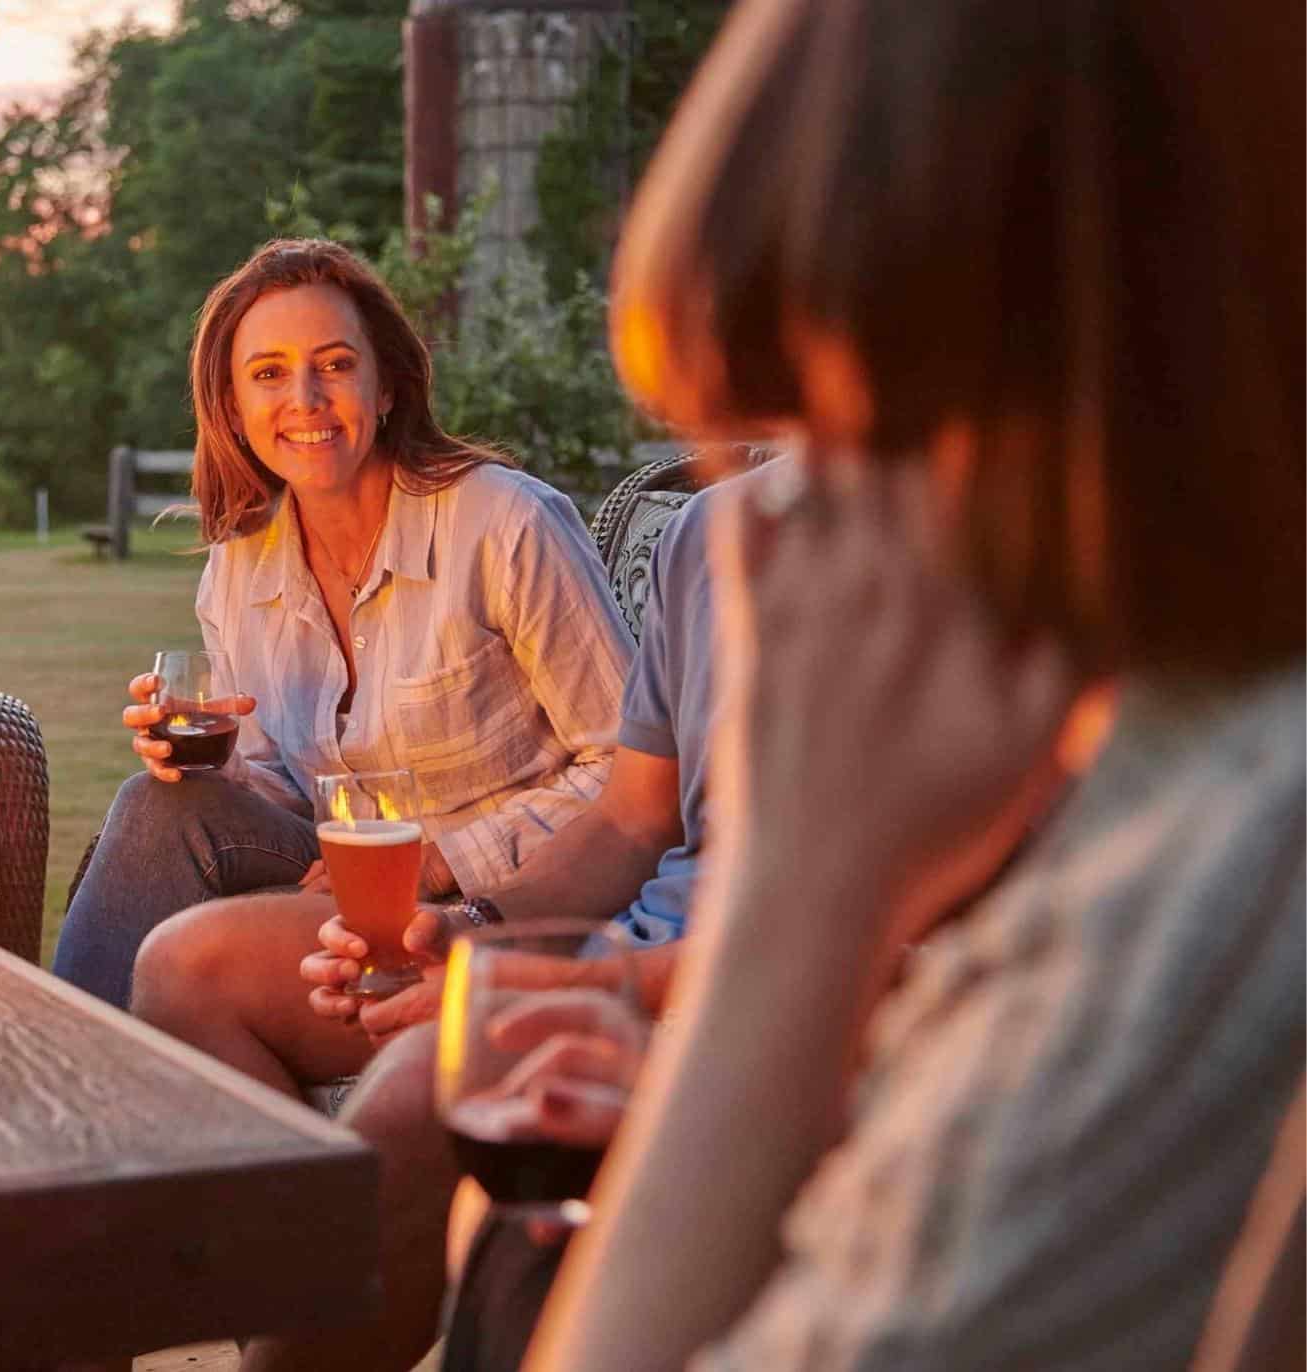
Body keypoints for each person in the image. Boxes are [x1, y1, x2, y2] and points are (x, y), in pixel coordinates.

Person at [508, 0, 1303, 1367]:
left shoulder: (1223, 869)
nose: (777, 512)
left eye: (841, 418)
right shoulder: (1161, 778)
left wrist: (795, 899)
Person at [208, 456, 766, 1372]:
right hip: (637, 943)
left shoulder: (1015, 555)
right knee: (196, 962)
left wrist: (550, 980)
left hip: (752, 986)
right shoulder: (709, 534)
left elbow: (904, 934)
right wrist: (475, 928)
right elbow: (631, 818)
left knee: (438, 1068)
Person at [51, 238, 636, 1014]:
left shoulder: (504, 524)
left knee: (183, 966)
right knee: (157, 801)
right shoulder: (239, 567)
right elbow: (287, 792)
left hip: (503, 908)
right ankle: (63, 1062)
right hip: (340, 886)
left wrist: (439, 861)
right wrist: (208, 763)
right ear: (232, 407)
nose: (305, 399)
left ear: (386, 385)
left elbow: (630, 767)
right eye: (268, 374)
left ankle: (100, 1077)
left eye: (333, 364)